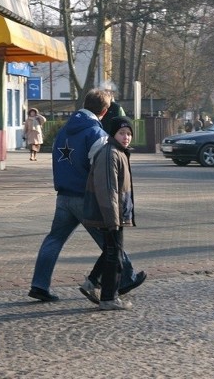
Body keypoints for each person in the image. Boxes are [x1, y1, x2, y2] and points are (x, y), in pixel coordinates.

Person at [28, 88, 146, 302]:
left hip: (63, 195)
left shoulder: (64, 130)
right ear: (105, 110)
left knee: (54, 239)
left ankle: (39, 284)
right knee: (110, 242)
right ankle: (126, 277)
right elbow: (102, 170)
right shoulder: (96, 134)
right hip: (85, 197)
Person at [81, 116, 136, 311]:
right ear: (113, 134)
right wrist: (113, 219)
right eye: (122, 133)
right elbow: (108, 189)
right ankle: (108, 298)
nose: (126, 137)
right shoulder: (110, 153)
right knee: (115, 256)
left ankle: (92, 282)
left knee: (111, 251)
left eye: (129, 134)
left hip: (115, 213)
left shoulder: (119, 152)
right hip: (110, 215)